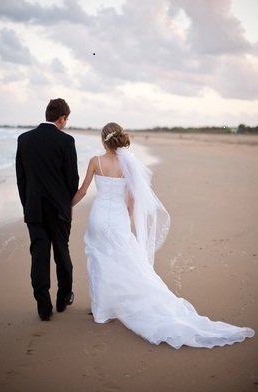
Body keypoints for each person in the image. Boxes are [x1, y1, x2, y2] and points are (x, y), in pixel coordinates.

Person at [72, 122, 255, 348]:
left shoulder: (95, 162)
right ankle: (116, 304)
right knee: (122, 260)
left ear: (103, 141)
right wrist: (127, 218)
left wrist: (67, 206)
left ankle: (101, 311)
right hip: (118, 218)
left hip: (98, 217)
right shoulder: (127, 164)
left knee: (99, 260)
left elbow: (83, 190)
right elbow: (132, 199)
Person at [16, 98, 79, 321]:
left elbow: (21, 178)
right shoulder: (66, 141)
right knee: (62, 252)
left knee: (39, 256)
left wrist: (28, 205)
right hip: (59, 209)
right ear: (62, 118)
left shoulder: (24, 139)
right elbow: (72, 180)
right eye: (66, 119)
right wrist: (68, 204)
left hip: (34, 208)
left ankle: (44, 307)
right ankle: (63, 299)